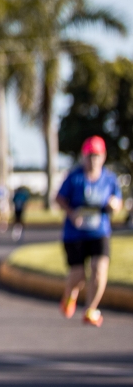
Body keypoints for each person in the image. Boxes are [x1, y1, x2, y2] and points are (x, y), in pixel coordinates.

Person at [56, 136, 122, 328]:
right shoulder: (74, 177)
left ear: (103, 157)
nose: (93, 160)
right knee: (78, 277)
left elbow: (117, 202)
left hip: (99, 232)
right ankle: (70, 295)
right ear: (84, 157)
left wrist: (114, 205)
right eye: (90, 156)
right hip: (74, 234)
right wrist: (72, 213)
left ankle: (91, 310)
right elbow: (59, 198)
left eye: (97, 155)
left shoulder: (109, 179)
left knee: (99, 270)